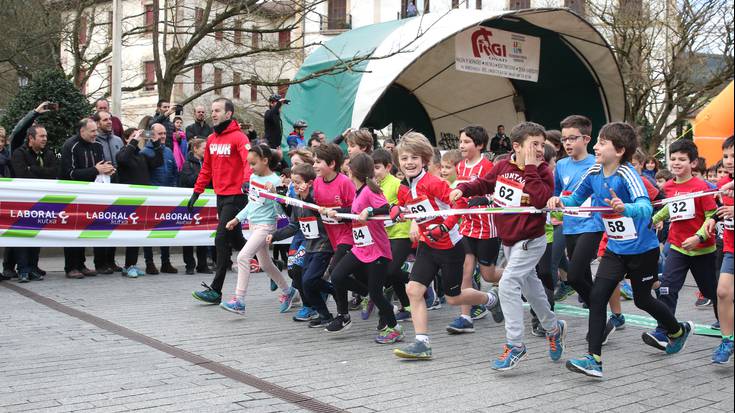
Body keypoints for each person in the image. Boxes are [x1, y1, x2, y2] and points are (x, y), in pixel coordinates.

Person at [555, 122, 694, 378]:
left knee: (643, 300)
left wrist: (624, 208)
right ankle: (593, 359)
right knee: (597, 297)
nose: (595, 146)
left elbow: (644, 206)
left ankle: (677, 330)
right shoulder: (595, 172)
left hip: (643, 250)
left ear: (619, 150)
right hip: (616, 249)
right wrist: (559, 201)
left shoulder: (627, 174)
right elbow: (574, 198)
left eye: (602, 142)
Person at [451, 122, 566, 371]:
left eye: (541, 144)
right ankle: (554, 328)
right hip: (509, 240)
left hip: (531, 241)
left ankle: (515, 345)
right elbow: (484, 184)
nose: (538, 149)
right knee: (533, 290)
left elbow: (539, 199)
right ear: (516, 146)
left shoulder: (543, 171)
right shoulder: (502, 165)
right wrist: (462, 188)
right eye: (533, 144)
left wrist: (532, 170)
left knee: (507, 284)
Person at [390, 132, 500, 360]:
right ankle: (422, 343)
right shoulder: (404, 186)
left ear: (424, 160)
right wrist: (397, 209)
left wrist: (444, 226)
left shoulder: (432, 182)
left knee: (453, 298)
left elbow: (458, 203)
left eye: (414, 158)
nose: (409, 162)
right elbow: (403, 204)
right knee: (414, 290)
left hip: (451, 247)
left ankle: (490, 299)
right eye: (404, 158)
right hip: (428, 246)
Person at [322, 153, 404, 343]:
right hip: (361, 248)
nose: (345, 169)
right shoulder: (358, 191)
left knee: (376, 292)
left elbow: (387, 209)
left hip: (377, 250)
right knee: (337, 275)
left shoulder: (369, 190)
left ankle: (394, 328)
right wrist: (337, 213)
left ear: (353, 171)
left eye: (348, 167)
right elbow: (355, 212)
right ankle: (378, 300)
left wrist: (371, 211)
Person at [647, 139, 718, 345]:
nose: (676, 163)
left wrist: (699, 237)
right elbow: (671, 207)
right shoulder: (668, 187)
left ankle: (726, 327)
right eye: (673, 159)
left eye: (682, 159)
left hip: (703, 249)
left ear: (693, 163)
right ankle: (663, 331)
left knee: (713, 291)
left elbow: (712, 215)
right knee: (668, 288)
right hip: (677, 247)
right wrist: (655, 219)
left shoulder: (702, 187)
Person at [220, 144, 299, 315]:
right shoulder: (254, 179)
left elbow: (281, 212)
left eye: (253, 164)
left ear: (265, 161)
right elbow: (252, 203)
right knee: (265, 264)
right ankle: (288, 291)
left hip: (266, 226)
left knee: (243, 256)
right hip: (254, 225)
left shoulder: (277, 181)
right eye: (249, 164)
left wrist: (276, 194)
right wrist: (237, 219)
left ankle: (239, 300)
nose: (251, 168)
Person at [189, 98, 252, 304]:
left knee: (221, 238)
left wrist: (245, 182)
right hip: (221, 195)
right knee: (237, 240)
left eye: (217, 110)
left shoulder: (239, 138)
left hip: (236, 195)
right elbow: (206, 168)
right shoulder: (211, 139)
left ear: (228, 114)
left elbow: (247, 162)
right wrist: (196, 193)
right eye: (212, 110)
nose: (213, 114)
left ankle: (216, 290)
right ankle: (268, 265)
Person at [447, 125, 503, 335]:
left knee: (488, 276)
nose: (462, 145)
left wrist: (485, 198)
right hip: (467, 226)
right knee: (466, 270)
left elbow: (499, 193)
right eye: (460, 141)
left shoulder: (489, 166)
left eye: (467, 142)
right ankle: (465, 317)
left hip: (487, 228)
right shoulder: (460, 167)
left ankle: (519, 277)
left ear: (479, 145)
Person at [268, 163, 335, 325]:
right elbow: (293, 225)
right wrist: (274, 236)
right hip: (308, 242)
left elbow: (327, 218)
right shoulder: (297, 200)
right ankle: (315, 307)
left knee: (305, 276)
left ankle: (320, 302)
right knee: (296, 273)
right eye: (293, 183)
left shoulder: (317, 197)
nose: (294, 186)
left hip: (323, 242)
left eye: (297, 182)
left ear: (310, 182)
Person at [552, 115, 603, 311]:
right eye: (564, 139)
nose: (567, 143)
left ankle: (598, 309)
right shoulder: (562, 165)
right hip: (570, 226)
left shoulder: (596, 163)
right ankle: (599, 317)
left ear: (586, 139)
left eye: (572, 138)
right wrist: (555, 202)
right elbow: (557, 192)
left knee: (573, 277)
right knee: (583, 278)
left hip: (592, 225)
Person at [60, 118, 115, 279]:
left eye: (96, 131)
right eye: (92, 131)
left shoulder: (97, 145)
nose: (95, 134)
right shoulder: (70, 145)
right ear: (82, 131)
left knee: (84, 231)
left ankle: (81, 264)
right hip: (72, 195)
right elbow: (70, 174)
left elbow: (101, 167)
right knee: (72, 231)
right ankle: (70, 266)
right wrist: (95, 170)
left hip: (91, 196)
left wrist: (108, 169)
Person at [10, 124, 58, 282]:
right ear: (31, 139)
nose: (45, 139)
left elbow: (53, 173)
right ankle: (23, 269)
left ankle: (33, 267)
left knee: (37, 235)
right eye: (41, 136)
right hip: (23, 203)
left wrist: (34, 169)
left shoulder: (48, 154)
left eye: (46, 136)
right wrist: (37, 172)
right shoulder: (19, 153)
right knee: (23, 236)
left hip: (42, 202)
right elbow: (22, 175)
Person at [116, 127, 164, 277]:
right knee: (130, 234)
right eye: (133, 136)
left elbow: (158, 161)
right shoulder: (123, 154)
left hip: (142, 201)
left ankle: (132, 264)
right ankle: (127, 266)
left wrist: (156, 143)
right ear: (126, 139)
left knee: (136, 234)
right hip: (128, 200)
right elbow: (122, 158)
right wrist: (134, 140)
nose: (138, 138)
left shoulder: (141, 156)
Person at [372, 149, 413, 322]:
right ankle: (408, 305)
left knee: (389, 271)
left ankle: (417, 280)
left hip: (401, 234)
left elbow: (411, 205)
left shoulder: (398, 184)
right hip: (383, 236)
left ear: (388, 167)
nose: (374, 172)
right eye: (371, 168)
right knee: (392, 273)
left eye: (377, 167)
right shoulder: (372, 185)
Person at [705, 136, 734, 364]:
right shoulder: (723, 183)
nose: (729, 161)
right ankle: (727, 340)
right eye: (726, 156)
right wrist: (712, 219)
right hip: (730, 248)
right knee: (722, 292)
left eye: (734, 156)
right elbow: (718, 209)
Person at [141, 123, 180, 274]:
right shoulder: (145, 152)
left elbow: (174, 172)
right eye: (159, 134)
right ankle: (149, 262)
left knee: (166, 230)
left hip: (167, 198)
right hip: (151, 199)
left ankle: (166, 262)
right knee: (149, 231)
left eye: (164, 133)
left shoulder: (169, 151)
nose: (163, 136)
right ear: (152, 135)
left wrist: (174, 190)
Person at [93, 110, 125, 274]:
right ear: (97, 123)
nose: (109, 122)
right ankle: (100, 262)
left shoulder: (118, 140)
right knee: (101, 224)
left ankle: (111, 260)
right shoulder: (95, 141)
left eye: (110, 119)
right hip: (101, 188)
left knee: (114, 223)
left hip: (117, 185)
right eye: (105, 120)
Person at [179, 138, 211, 275]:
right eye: (204, 148)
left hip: (205, 203)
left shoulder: (207, 163)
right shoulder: (187, 164)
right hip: (191, 202)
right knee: (189, 234)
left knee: (203, 233)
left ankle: (202, 264)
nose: (206, 151)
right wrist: (203, 177)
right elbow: (187, 180)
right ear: (196, 149)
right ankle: (189, 264)